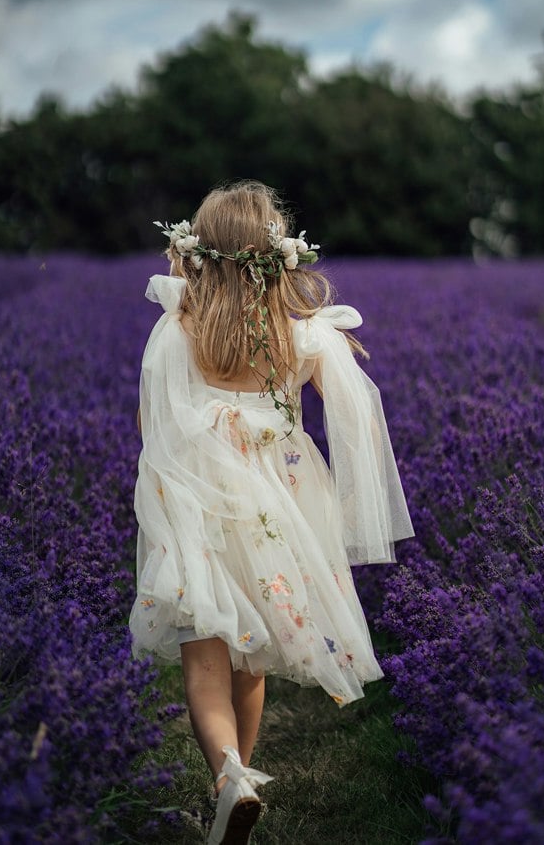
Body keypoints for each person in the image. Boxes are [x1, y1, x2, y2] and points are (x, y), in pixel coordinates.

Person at [128, 180, 415, 844]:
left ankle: (229, 776)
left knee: (206, 660)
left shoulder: (179, 326)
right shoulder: (302, 336)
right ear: (277, 255)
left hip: (197, 508)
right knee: (250, 659)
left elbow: (151, 426)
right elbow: (360, 427)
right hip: (279, 510)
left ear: (198, 255)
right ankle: (244, 776)